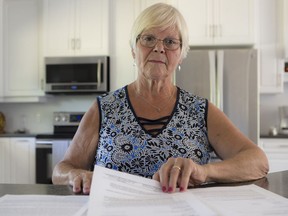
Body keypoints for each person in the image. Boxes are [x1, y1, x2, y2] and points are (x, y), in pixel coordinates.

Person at [52, 3, 269, 194]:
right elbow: (62, 169)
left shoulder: (200, 111)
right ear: (133, 50)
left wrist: (205, 171)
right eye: (148, 38)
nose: (158, 48)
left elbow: (257, 161)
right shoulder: (104, 108)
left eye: (170, 41)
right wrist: (74, 176)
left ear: (181, 53)